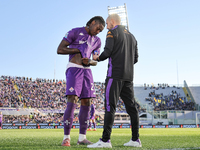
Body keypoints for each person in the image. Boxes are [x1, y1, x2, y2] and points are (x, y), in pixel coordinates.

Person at [87, 14, 141, 148]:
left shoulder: (112, 32)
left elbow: (107, 52)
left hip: (114, 76)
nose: (106, 27)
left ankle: (105, 140)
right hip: (128, 77)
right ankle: (135, 140)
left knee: (110, 107)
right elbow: (135, 58)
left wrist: (97, 58)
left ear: (112, 21)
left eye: (107, 23)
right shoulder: (132, 36)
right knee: (132, 109)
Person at [57, 16, 105, 147]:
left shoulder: (98, 41)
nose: (98, 31)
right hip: (74, 68)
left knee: (87, 102)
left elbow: (95, 59)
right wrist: (78, 50)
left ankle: (82, 137)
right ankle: (66, 138)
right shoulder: (75, 32)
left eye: (101, 31)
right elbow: (60, 49)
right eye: (98, 28)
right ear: (93, 22)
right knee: (72, 100)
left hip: (87, 71)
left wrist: (89, 61)